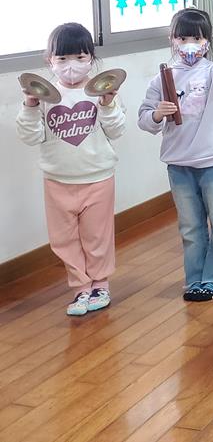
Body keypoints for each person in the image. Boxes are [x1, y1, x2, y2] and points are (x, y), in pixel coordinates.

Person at [138, 8, 213, 302]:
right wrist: (157, 114)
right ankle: (196, 279)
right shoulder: (161, 79)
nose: (190, 44)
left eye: (197, 38)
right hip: (179, 165)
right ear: (173, 39)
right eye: (183, 38)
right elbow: (144, 120)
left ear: (207, 41)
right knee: (190, 228)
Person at [17, 23, 125, 316]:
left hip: (98, 177)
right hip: (57, 180)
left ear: (91, 57)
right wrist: (29, 106)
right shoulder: (44, 95)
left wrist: (108, 105)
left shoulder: (101, 90)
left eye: (80, 57)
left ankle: (100, 284)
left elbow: (116, 130)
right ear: (49, 59)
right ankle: (81, 288)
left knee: (97, 236)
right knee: (63, 239)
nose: (71, 65)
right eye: (62, 58)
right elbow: (30, 136)